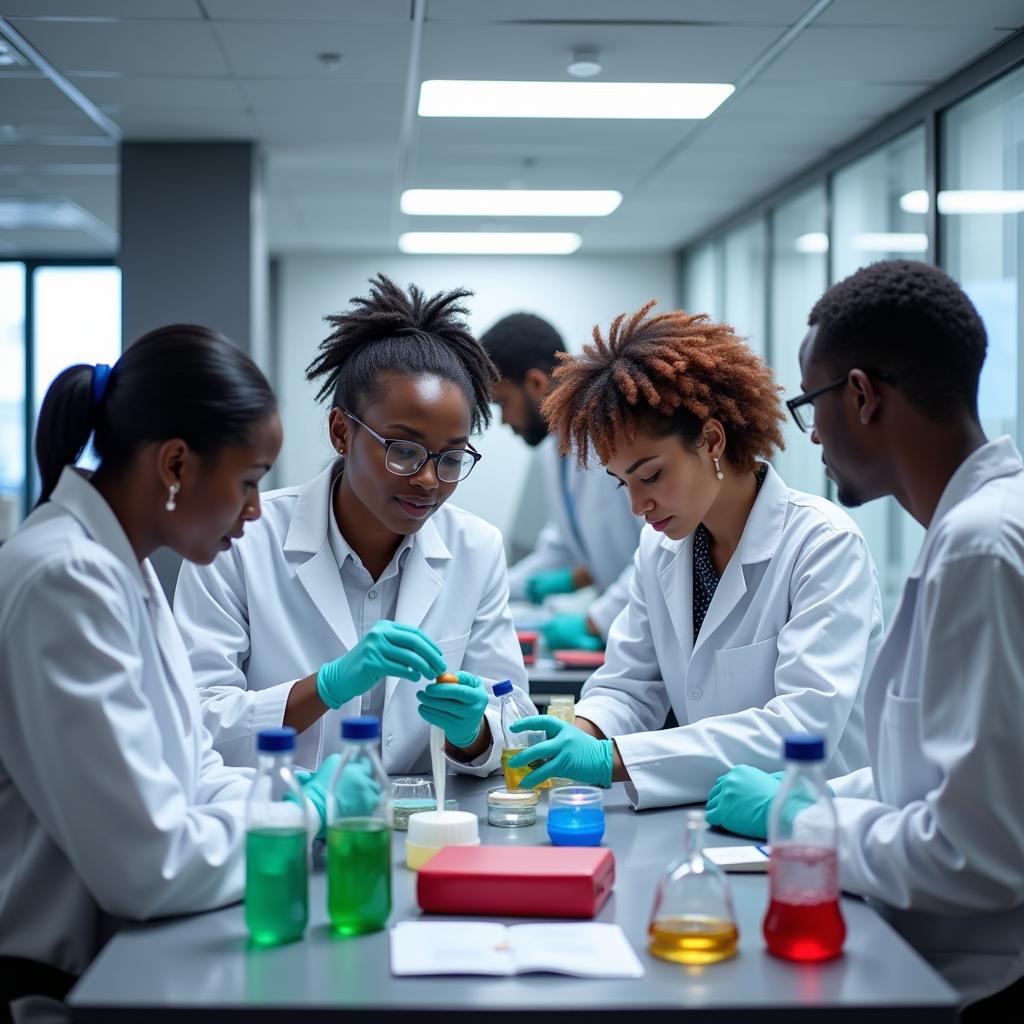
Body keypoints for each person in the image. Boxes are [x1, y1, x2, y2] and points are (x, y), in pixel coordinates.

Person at [0, 326, 364, 1019]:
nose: (256, 509)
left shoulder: (121, 567)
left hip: (122, 955)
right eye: (249, 481)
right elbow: (149, 865)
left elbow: (192, 765)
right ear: (175, 465)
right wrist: (304, 812)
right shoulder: (64, 578)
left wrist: (280, 801)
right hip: (50, 982)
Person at [704, 260, 1024, 1014]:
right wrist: (801, 797)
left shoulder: (982, 546)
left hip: (979, 978)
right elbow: (926, 776)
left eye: (810, 404)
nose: (810, 433)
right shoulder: (967, 530)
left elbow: (973, 852)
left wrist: (799, 820)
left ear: (860, 394)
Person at [506, 301, 881, 808]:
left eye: (651, 475)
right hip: (715, 822)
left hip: (822, 831)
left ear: (711, 440)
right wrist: (580, 732)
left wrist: (609, 759)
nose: (639, 507)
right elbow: (630, 684)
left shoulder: (822, 545)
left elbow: (801, 726)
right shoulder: (661, 548)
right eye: (623, 485)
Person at [174, 275, 532, 778]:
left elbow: (512, 720)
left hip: (422, 829)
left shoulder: (476, 547)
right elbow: (193, 720)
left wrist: (473, 730)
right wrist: (323, 688)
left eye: (451, 458)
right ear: (342, 431)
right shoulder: (239, 541)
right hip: (279, 827)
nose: (428, 480)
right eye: (404, 450)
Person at [480, 313, 642, 650]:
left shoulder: (616, 438)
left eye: (502, 404)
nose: (504, 421)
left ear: (536, 383)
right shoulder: (554, 449)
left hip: (642, 624)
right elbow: (564, 544)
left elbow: (658, 551)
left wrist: (594, 620)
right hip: (625, 630)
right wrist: (489, 589)